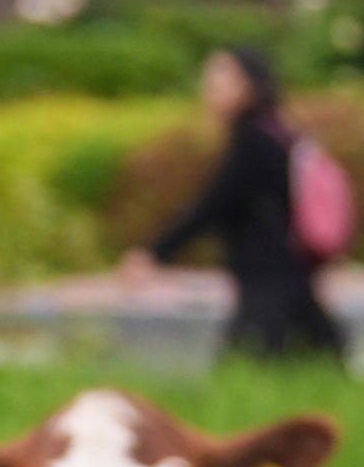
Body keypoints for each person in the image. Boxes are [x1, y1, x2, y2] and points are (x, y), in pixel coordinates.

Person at [137, 44, 340, 363]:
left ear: (248, 86)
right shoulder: (276, 132)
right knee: (317, 351)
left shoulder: (254, 140)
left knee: (249, 358)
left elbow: (212, 204)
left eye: (218, 81)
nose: (208, 90)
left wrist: (155, 253)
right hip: (287, 264)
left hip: (268, 268)